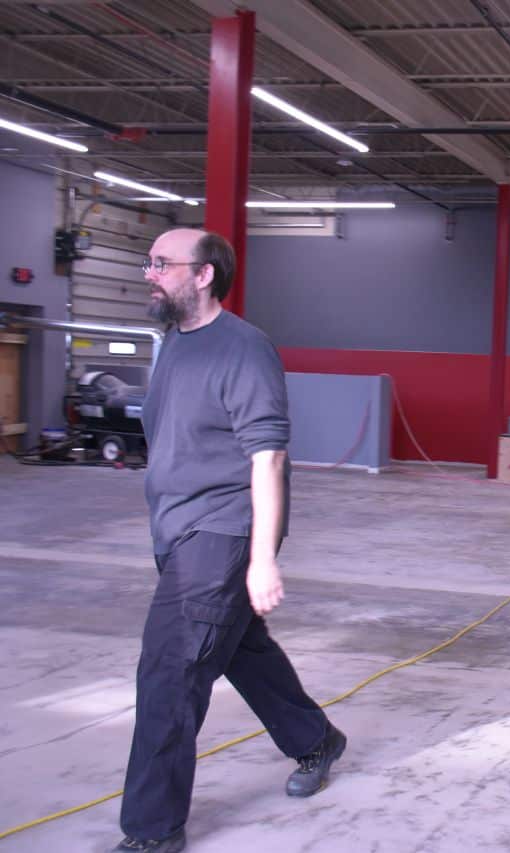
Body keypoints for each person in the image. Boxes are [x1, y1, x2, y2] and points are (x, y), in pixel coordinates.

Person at [113, 229, 345, 852]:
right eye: (150, 262)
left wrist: (261, 559)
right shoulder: (174, 344)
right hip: (178, 530)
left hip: (220, 531)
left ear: (205, 274)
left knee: (169, 672)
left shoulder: (243, 348)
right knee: (239, 647)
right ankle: (315, 740)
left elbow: (267, 458)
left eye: (162, 264)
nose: (149, 274)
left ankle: (152, 832)